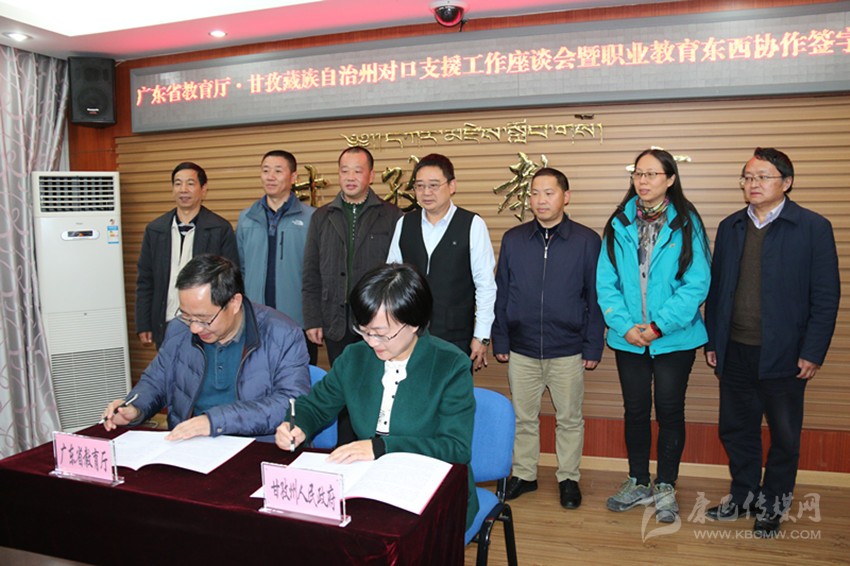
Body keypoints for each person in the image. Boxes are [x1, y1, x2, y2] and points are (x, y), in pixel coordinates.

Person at [276, 263, 479, 529]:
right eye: (365, 331)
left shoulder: (450, 365)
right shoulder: (355, 357)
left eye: (381, 334)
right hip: (369, 483)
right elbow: (315, 406)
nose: (371, 342)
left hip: (433, 491)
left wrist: (382, 447)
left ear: (413, 323)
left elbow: (455, 448)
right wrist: (296, 424)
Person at [704, 148, 839, 537]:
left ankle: (773, 506)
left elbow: (826, 296)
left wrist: (812, 352)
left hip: (786, 354)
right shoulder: (731, 226)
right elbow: (718, 291)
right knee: (736, 429)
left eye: (762, 177)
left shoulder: (812, 227)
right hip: (735, 349)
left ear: (787, 182)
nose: (753, 184)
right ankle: (744, 497)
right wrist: (714, 340)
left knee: (784, 436)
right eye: (748, 177)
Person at [596, 148, 711, 523]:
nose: (642, 181)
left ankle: (665, 485)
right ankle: (638, 481)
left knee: (669, 408)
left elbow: (697, 283)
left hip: (674, 338)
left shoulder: (687, 222)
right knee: (635, 410)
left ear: (670, 179)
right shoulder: (619, 222)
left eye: (651, 174)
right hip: (628, 337)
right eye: (638, 174)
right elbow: (606, 283)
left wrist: (659, 326)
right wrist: (625, 326)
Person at [103, 254, 311, 441]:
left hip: (256, 448)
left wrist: (215, 421)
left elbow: (291, 404)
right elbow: (156, 381)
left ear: (234, 303)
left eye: (204, 319)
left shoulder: (282, 334)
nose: (194, 328)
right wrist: (134, 407)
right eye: (186, 315)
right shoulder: (179, 329)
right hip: (192, 446)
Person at [492, 167, 605, 509]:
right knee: (523, 417)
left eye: (548, 193)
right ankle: (524, 474)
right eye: (534, 193)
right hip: (522, 347)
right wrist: (501, 339)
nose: (540, 200)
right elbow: (502, 292)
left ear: (565, 197)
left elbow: (596, 297)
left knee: (569, 419)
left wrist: (593, 344)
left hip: (567, 349)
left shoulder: (586, 241)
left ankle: (568, 478)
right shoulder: (514, 239)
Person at [386, 153, 496, 371]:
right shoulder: (404, 224)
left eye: (434, 185)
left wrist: (481, 335)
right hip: (409, 335)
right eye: (420, 186)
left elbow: (485, 285)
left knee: (451, 390)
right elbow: (391, 280)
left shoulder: (472, 224)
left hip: (455, 335)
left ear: (452, 186)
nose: (426, 192)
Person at [302, 146, 402, 365]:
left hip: (377, 318)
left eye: (357, 171)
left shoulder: (391, 215)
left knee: (378, 379)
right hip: (334, 318)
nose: (350, 177)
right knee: (343, 378)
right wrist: (312, 319)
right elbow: (310, 272)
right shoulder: (321, 216)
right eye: (344, 171)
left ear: (371, 175)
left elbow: (399, 273)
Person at [136, 162, 239, 349]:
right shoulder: (155, 229)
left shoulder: (220, 229)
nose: (183, 189)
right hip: (166, 321)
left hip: (206, 323)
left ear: (203, 189)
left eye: (190, 183)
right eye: (178, 183)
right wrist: (143, 323)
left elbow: (230, 281)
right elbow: (145, 280)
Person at [237, 150, 316, 364]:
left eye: (278, 171)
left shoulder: (311, 218)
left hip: (297, 321)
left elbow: (317, 273)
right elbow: (240, 270)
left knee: (298, 377)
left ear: (293, 177)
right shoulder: (246, 218)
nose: (270, 177)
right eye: (265, 171)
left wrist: (313, 318)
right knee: (255, 376)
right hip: (255, 321)